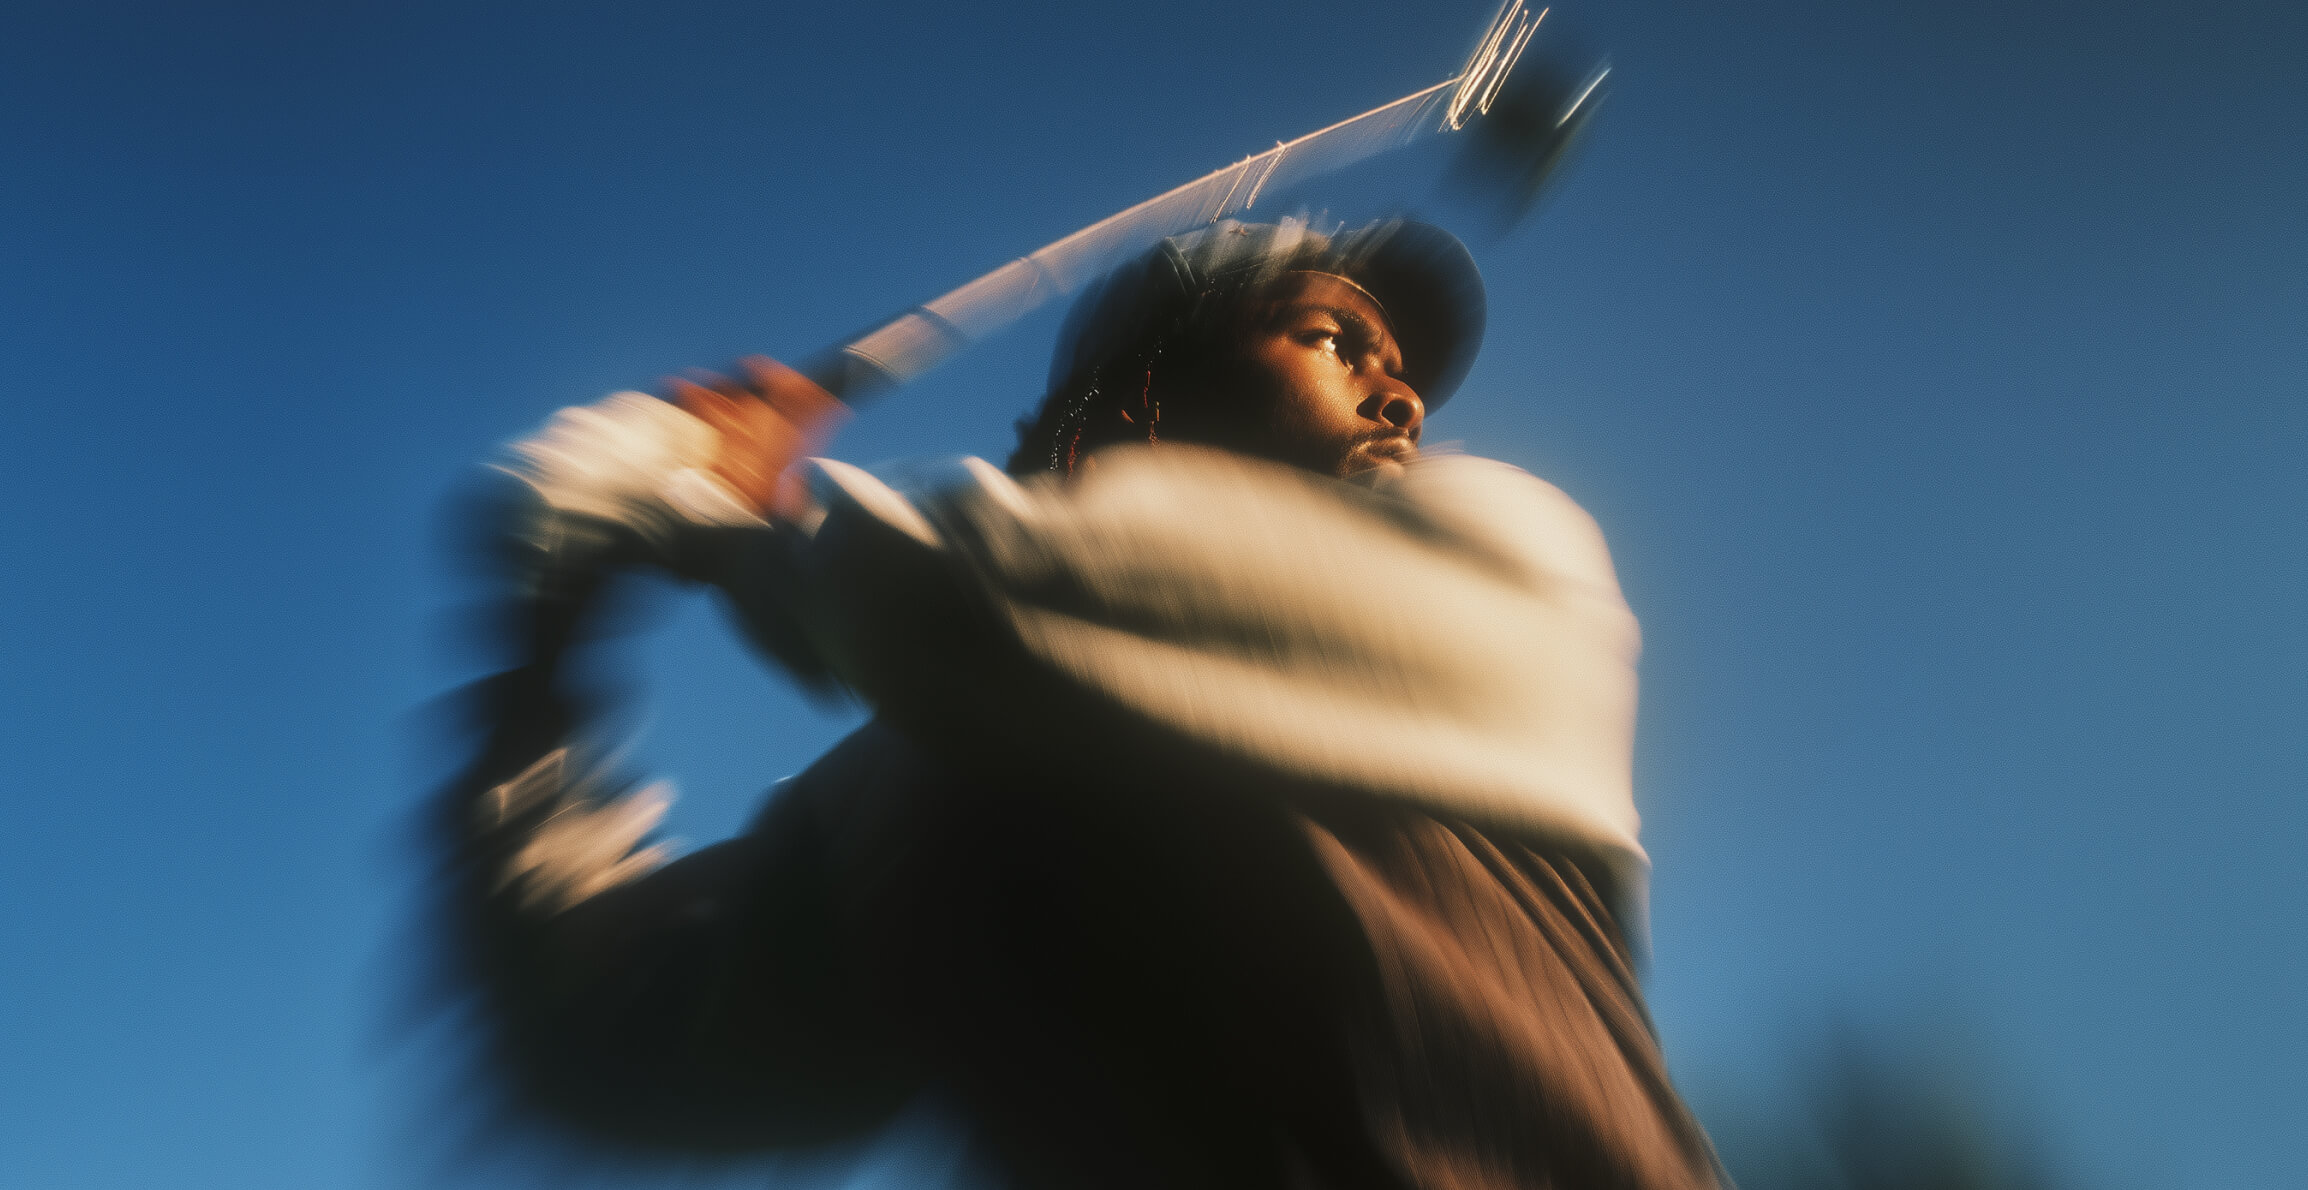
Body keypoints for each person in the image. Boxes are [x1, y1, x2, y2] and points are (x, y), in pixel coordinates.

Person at [437, 218, 1724, 1190]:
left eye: (1404, 375)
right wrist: (544, 636)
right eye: (1335, 341)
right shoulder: (925, 766)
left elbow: (977, 600)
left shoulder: (1506, 546)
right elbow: (607, 1031)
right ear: (1139, 402)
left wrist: (698, 506)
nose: (1402, 397)